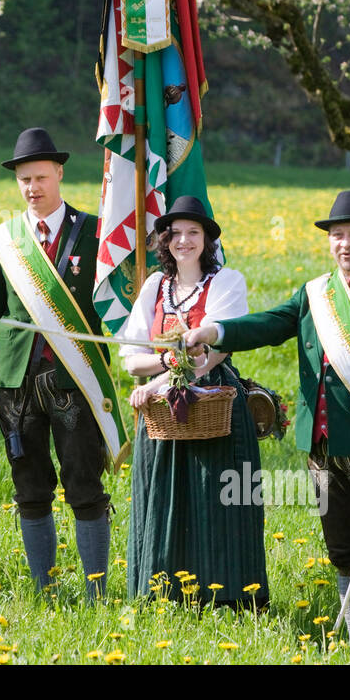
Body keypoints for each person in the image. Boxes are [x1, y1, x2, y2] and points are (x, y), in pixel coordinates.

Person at [186, 190, 350, 643]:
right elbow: (267, 324)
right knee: (343, 552)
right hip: (322, 451)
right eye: (337, 235)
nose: (345, 244)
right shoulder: (314, 295)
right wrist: (214, 330)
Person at [0, 128, 121, 602]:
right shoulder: (4, 241)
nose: (32, 187)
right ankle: (44, 590)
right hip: (16, 383)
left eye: (39, 177)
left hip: (74, 378)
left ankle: (96, 593)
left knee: (84, 483)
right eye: (23, 180)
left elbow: (118, 304)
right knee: (29, 487)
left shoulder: (97, 231)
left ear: (59, 173)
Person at [119, 196, 269, 608]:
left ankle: (228, 599)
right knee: (163, 498)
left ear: (207, 240)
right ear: (164, 241)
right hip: (162, 413)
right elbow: (132, 360)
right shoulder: (154, 287)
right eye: (175, 233)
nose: (183, 241)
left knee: (216, 498)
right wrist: (164, 369)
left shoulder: (226, 283)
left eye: (193, 233)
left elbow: (211, 356)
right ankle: (162, 595)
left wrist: (159, 381)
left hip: (213, 402)